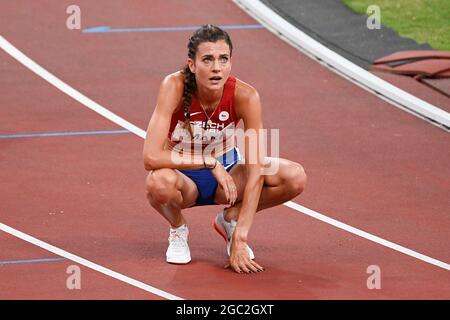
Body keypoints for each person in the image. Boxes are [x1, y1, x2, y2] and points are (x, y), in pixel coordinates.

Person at [143, 24, 307, 274]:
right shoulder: (173, 86)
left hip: (230, 179)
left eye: (223, 59)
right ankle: (178, 228)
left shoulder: (246, 96)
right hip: (184, 178)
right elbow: (151, 157)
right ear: (192, 64)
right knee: (157, 184)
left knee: (294, 176)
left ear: (231, 62)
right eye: (207, 59)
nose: (216, 68)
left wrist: (241, 235)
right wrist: (209, 163)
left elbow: (255, 170)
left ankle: (230, 219)